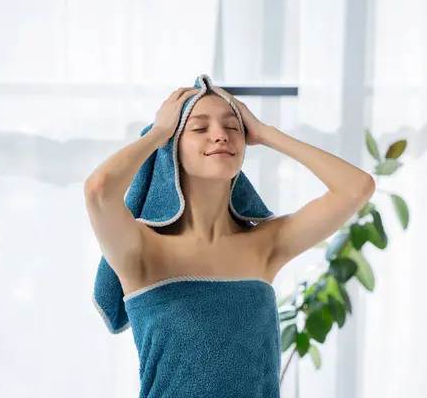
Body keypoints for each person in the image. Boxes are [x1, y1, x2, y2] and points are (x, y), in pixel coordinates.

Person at [84, 85, 375, 396]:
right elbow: (99, 190)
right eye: (199, 127)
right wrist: (158, 133)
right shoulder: (141, 250)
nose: (220, 134)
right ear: (172, 147)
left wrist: (266, 133)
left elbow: (356, 188)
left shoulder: (266, 244)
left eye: (233, 126)